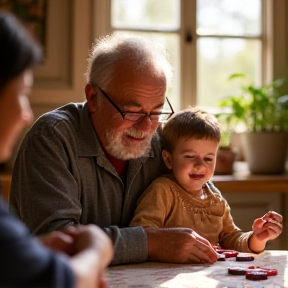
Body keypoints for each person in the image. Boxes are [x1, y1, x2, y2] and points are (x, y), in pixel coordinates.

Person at [9, 33, 219, 265]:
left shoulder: (162, 144)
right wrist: (150, 242)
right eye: (133, 112)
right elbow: (56, 242)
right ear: (93, 97)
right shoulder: (51, 138)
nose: (147, 126)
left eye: (156, 112)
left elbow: (201, 194)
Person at [0, 10, 113, 288]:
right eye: (22, 94)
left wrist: (30, 250)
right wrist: (98, 249)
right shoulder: (52, 135)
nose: (26, 115)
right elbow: (63, 283)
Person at [130, 108, 283, 253]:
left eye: (208, 159)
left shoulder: (215, 198)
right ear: (168, 159)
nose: (200, 165)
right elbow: (142, 235)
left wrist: (257, 238)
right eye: (190, 157)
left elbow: (231, 238)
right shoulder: (162, 191)